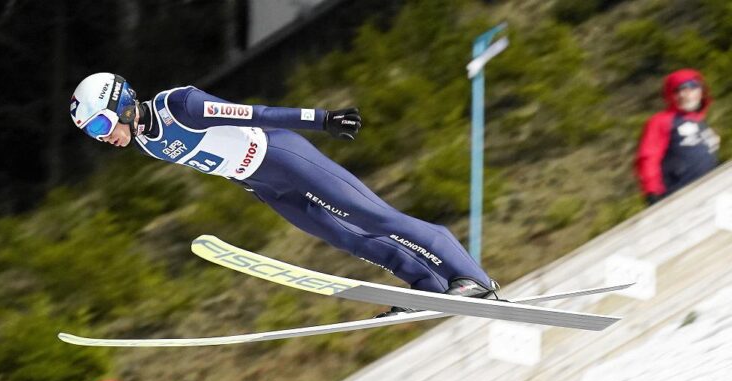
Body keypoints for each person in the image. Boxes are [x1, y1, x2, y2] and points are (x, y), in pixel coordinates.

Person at [70, 73, 499, 316]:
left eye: (101, 126)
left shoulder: (179, 106)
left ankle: (472, 277)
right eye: (93, 133)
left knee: (375, 218)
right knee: (347, 238)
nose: (103, 138)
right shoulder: (145, 140)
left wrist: (322, 119)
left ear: (123, 104)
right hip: (265, 186)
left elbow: (254, 113)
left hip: (284, 156)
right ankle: (424, 284)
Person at [635, 69, 720, 205]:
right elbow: (648, 158)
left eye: (692, 87)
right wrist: (652, 192)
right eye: (678, 90)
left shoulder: (701, 122)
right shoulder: (660, 121)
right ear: (671, 95)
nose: (685, 94)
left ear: (701, 91)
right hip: (679, 196)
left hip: (712, 191)